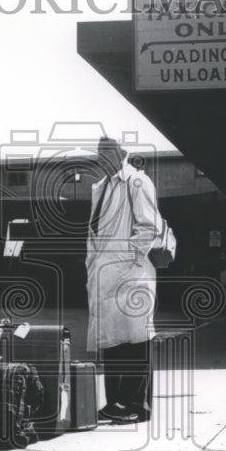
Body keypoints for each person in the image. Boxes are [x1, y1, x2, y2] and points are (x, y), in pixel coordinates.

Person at [86, 136, 164, 424]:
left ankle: (137, 405)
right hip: (104, 277)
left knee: (136, 339)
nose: (102, 158)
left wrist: (124, 260)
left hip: (130, 275)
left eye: (108, 152)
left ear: (122, 154)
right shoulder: (101, 187)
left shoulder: (136, 182)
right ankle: (115, 403)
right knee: (113, 341)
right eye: (99, 153)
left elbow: (149, 227)